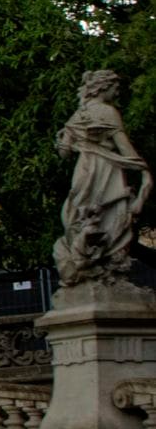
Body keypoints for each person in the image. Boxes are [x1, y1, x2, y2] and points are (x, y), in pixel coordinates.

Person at [55, 69, 149, 285]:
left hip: (84, 169)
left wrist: (63, 139)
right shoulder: (108, 112)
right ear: (103, 87)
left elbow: (64, 152)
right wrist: (142, 169)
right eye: (115, 89)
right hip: (107, 169)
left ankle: (88, 263)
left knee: (82, 212)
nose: (116, 94)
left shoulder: (77, 116)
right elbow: (124, 148)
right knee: (110, 216)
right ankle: (106, 267)